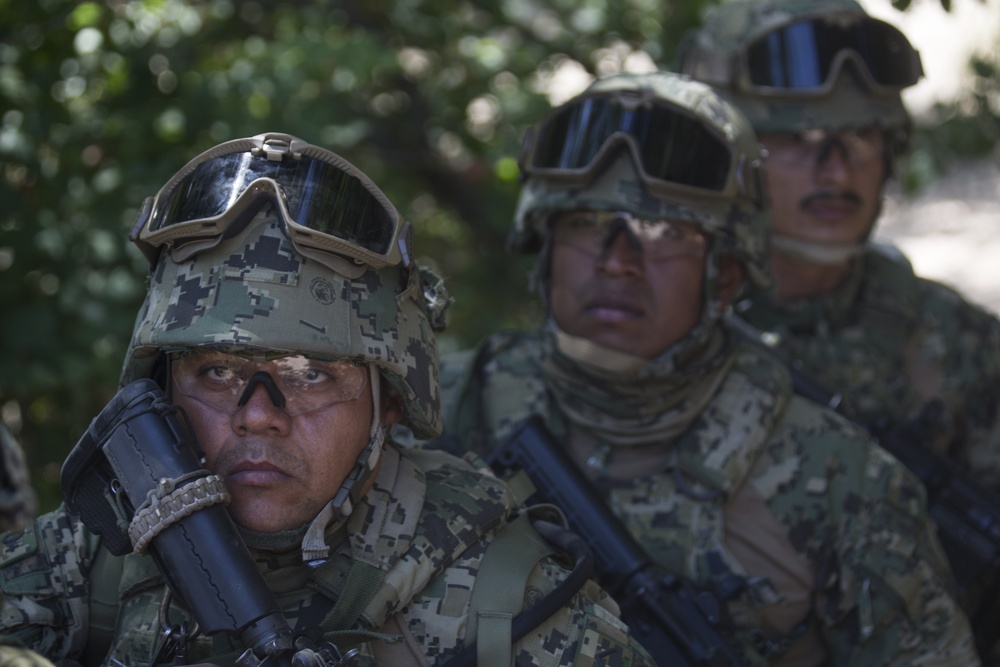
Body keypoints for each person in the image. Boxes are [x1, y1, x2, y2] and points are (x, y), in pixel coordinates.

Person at [0, 133, 655, 667]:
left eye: (312, 374)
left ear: (388, 404)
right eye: (219, 371)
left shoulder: (512, 611)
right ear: (162, 389)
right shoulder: (104, 553)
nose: (257, 413)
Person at [427, 71, 980, 665]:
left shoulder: (842, 479)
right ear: (546, 244)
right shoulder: (440, 402)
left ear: (727, 276)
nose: (618, 263)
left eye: (663, 232)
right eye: (586, 225)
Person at [677, 0, 1000, 491]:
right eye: (797, 138)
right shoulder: (655, 323)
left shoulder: (961, 344)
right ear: (727, 155)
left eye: (862, 136)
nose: (837, 169)